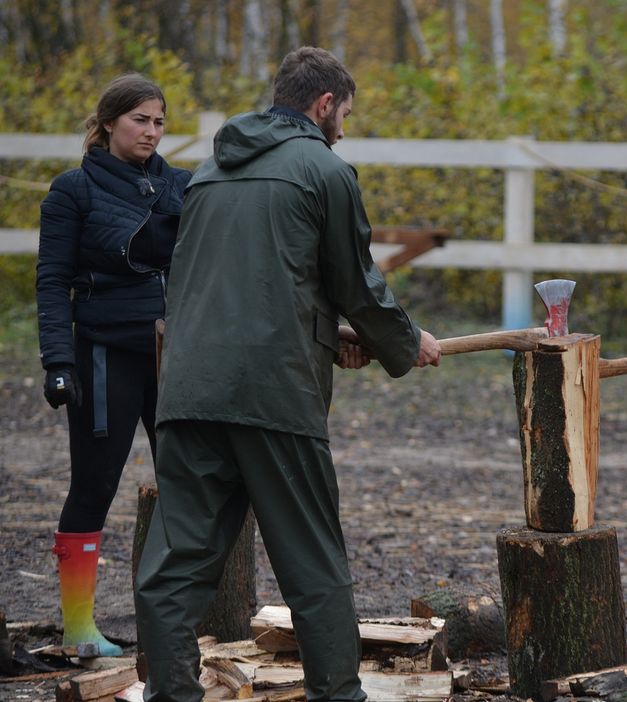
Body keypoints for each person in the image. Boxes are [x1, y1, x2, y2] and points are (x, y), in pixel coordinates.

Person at [134, 46, 442, 702]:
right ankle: (338, 695)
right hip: (274, 397)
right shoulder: (324, 170)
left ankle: (170, 693)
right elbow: (358, 285)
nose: (344, 129)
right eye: (345, 114)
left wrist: (329, 338)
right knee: (312, 564)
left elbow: (243, 286)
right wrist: (404, 341)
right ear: (324, 104)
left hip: (188, 391)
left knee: (173, 567)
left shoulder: (209, 174)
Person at [36, 74, 191, 658]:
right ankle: (78, 628)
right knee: (94, 484)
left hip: (173, 356)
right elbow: (52, 281)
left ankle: (176, 625)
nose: (152, 131)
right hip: (103, 356)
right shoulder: (72, 190)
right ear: (107, 123)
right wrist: (58, 360)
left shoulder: (182, 185)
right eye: (140, 120)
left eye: (159, 121)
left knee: (188, 483)